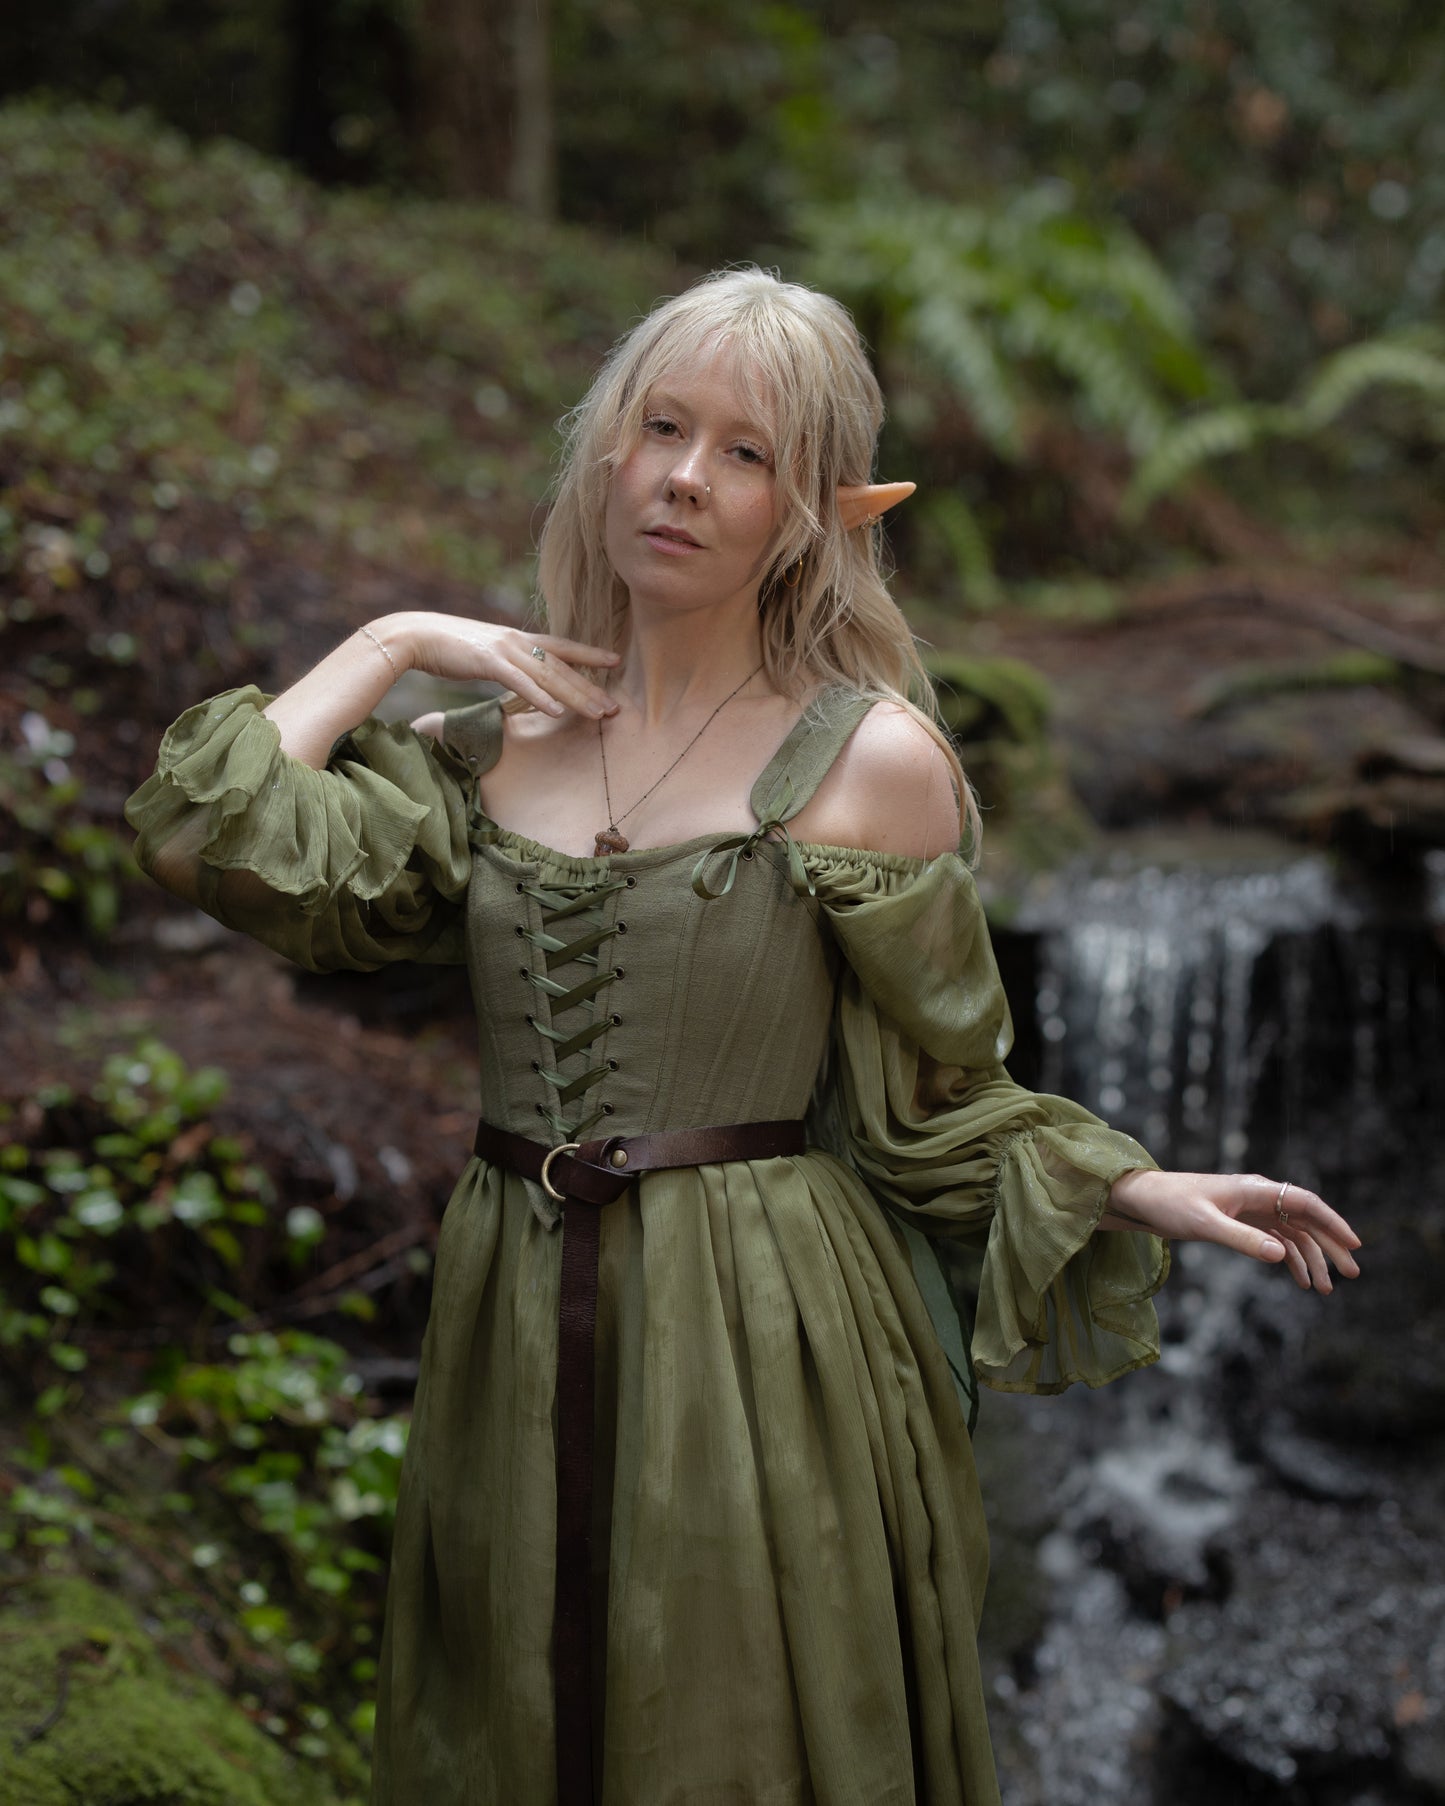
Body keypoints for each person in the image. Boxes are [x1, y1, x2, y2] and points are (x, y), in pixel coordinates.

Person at [125, 267, 1361, 1806]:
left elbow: (936, 1098)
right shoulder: (488, 750)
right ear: (605, 450)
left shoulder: (870, 764)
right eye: (659, 427)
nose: (684, 479)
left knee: (726, 1738)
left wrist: (1140, 1186)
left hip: (762, 1334)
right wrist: (390, 641)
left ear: (820, 508)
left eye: (746, 453)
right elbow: (205, 834)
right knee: (514, 1716)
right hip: (509, 1311)